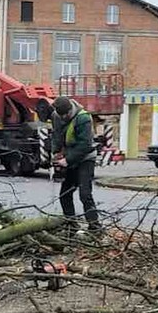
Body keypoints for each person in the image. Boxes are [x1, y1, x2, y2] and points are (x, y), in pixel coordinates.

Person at [50, 96, 100, 233]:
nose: (64, 118)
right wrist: (56, 152)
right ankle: (71, 225)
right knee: (65, 194)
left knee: (85, 194)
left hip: (85, 158)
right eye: (61, 116)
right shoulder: (56, 116)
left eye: (66, 115)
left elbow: (85, 145)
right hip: (69, 158)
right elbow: (56, 135)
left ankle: (95, 227)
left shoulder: (83, 118)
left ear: (70, 110)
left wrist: (67, 160)